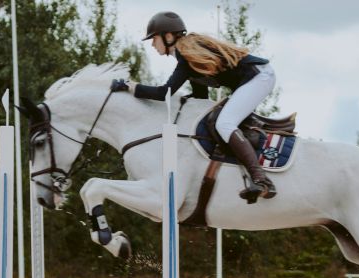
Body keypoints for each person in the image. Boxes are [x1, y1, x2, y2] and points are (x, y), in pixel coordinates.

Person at [111, 11, 277, 202]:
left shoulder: (186, 56)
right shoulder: (190, 56)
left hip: (259, 76)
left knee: (224, 124)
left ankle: (261, 179)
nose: (152, 44)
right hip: (254, 78)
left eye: (154, 38)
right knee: (220, 121)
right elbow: (200, 96)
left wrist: (130, 86)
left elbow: (163, 93)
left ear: (168, 36)